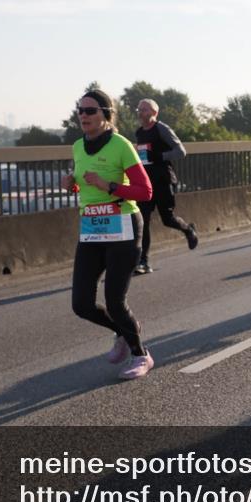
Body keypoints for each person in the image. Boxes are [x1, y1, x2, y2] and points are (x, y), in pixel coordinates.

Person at [62, 89, 155, 380]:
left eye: (90, 111)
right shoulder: (78, 146)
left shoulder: (121, 145)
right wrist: (72, 186)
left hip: (123, 226)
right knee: (81, 304)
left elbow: (145, 191)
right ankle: (123, 332)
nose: (83, 116)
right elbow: (84, 186)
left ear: (106, 114)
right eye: (80, 110)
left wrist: (109, 186)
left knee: (115, 300)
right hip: (91, 229)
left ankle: (141, 354)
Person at [134, 99, 198, 274]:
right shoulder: (139, 132)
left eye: (144, 110)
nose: (140, 112)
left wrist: (159, 156)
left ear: (154, 113)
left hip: (163, 180)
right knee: (143, 221)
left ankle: (188, 229)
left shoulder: (162, 129)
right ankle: (143, 262)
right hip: (146, 183)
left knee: (167, 218)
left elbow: (180, 151)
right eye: (139, 109)